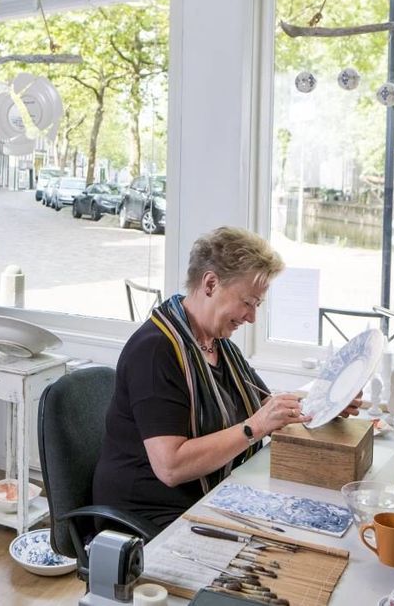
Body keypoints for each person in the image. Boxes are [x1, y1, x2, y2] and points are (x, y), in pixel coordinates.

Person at [93, 226, 359, 530]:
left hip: (206, 496)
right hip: (148, 514)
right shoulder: (156, 351)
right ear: (210, 284)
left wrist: (329, 401)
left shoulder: (218, 346)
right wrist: (255, 427)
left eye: (256, 305)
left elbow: (267, 405)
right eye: (247, 302)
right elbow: (171, 466)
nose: (251, 317)